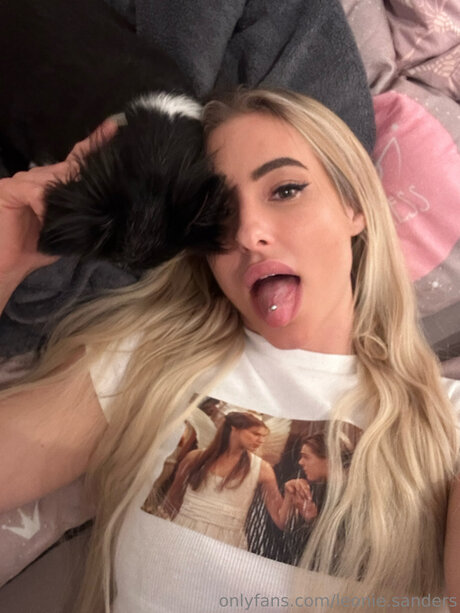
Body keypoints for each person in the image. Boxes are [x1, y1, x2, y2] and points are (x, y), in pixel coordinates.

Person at [0, 88, 459, 612]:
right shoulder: (148, 364)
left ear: (353, 206)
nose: (247, 233)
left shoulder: (446, 421)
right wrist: (7, 253)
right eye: (217, 214)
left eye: (285, 190)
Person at [156, 411, 294, 548]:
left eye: (263, 436)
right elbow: (172, 500)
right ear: (234, 428)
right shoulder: (195, 458)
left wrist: (289, 495)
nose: (261, 440)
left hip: (225, 542)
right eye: (255, 434)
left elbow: (280, 520)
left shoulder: (262, 469)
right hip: (184, 531)